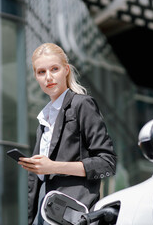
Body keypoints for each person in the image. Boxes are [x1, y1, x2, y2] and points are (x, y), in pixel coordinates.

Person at [18, 43, 117, 225]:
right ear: (36, 77)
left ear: (66, 70)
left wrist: (53, 167)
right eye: (41, 72)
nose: (48, 77)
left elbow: (107, 163)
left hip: (71, 212)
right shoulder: (44, 119)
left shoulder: (82, 105)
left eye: (54, 69)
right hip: (44, 212)